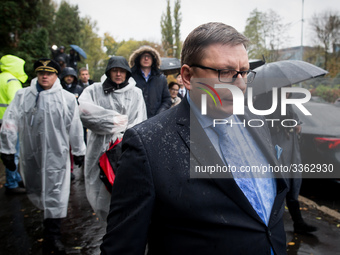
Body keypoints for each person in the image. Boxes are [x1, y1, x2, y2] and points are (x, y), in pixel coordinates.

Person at [101, 22, 288, 255]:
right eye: (226, 73)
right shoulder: (147, 145)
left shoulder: (257, 123)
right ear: (188, 76)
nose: (240, 85)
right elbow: (122, 247)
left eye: (244, 72)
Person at [0, 58, 86, 254]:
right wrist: (7, 149)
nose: (44, 76)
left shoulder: (66, 99)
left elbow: (75, 126)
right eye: (41, 73)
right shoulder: (23, 96)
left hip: (57, 155)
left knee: (56, 194)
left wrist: (79, 150)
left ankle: (52, 237)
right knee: (37, 190)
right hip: (31, 156)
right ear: (36, 75)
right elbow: (10, 120)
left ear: (56, 75)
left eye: (49, 73)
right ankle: (46, 226)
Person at [78, 56, 147, 222]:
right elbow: (85, 114)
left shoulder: (135, 93)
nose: (118, 74)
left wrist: (125, 133)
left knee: (122, 182)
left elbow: (140, 120)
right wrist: (114, 121)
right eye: (115, 70)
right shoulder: (94, 90)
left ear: (127, 73)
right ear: (108, 72)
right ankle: (106, 219)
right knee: (99, 181)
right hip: (98, 146)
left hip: (124, 146)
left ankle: (121, 221)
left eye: (122, 71)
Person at [254, 87, 317, 234]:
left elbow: (296, 125)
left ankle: (298, 223)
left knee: (293, 184)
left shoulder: (287, 106)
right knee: (278, 186)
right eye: (284, 90)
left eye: (289, 90)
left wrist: (296, 126)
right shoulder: (264, 105)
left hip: (291, 152)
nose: (287, 93)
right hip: (276, 151)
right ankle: (272, 226)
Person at [0, 55, 28, 195]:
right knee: (12, 152)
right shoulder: (12, 81)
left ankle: (16, 179)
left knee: (6, 151)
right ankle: (11, 183)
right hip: (10, 124)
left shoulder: (1, 78)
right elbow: (16, 104)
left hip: (1, 121)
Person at [129, 45, 171, 118]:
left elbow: (167, 100)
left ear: (153, 59)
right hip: (135, 119)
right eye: (143, 56)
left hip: (155, 119)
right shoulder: (130, 77)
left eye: (149, 56)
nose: (146, 58)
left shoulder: (161, 78)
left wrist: (159, 114)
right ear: (138, 58)